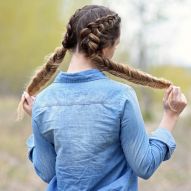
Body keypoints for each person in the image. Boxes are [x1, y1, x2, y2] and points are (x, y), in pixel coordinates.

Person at [17, 5, 187, 191]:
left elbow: (48, 173)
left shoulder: (43, 103)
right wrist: (170, 117)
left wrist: (37, 118)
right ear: (106, 46)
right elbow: (144, 165)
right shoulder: (121, 96)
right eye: (117, 44)